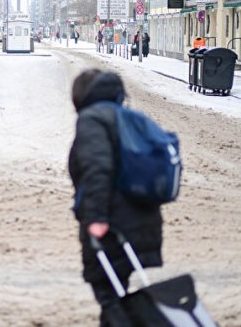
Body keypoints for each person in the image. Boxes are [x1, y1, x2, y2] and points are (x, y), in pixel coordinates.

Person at [68, 69, 163, 325]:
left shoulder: (92, 120)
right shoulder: (130, 118)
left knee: (109, 296)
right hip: (143, 221)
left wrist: (97, 219)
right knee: (116, 293)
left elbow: (98, 170)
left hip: (111, 225)